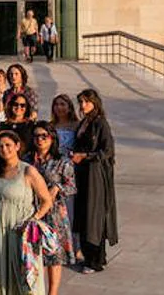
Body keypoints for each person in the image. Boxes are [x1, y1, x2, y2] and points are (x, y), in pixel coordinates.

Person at [0, 132, 54, 295]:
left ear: (17, 146)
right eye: (0, 146)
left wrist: (32, 221)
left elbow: (47, 200)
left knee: (22, 277)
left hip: (20, 230)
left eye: (8, 145)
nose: (4, 149)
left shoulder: (28, 171)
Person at [70, 90, 117, 273]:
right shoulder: (85, 122)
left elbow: (108, 151)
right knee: (84, 212)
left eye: (86, 102)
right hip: (82, 173)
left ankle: (94, 260)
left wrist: (86, 156)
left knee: (93, 215)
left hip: (95, 174)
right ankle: (93, 256)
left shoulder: (100, 123)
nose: (83, 105)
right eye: (80, 102)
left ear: (94, 103)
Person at [30, 122, 76, 289]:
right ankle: (37, 290)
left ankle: (53, 292)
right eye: (36, 136)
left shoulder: (62, 161)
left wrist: (57, 188)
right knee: (34, 253)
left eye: (44, 136)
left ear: (52, 138)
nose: (40, 140)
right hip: (32, 211)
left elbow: (71, 186)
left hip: (55, 213)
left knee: (54, 255)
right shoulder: (27, 159)